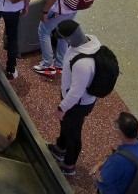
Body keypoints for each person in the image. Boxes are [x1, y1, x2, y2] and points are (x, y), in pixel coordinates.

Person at [49, 20, 104, 176]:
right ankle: (61, 147)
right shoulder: (87, 40)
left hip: (77, 104)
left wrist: (62, 107)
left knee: (73, 132)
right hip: (72, 99)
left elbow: (76, 92)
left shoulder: (83, 64)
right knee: (66, 126)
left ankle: (69, 164)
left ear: (70, 39)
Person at [93, 113, 138, 194]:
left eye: (115, 124)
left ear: (120, 132)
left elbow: (102, 179)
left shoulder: (118, 160)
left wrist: (96, 170)